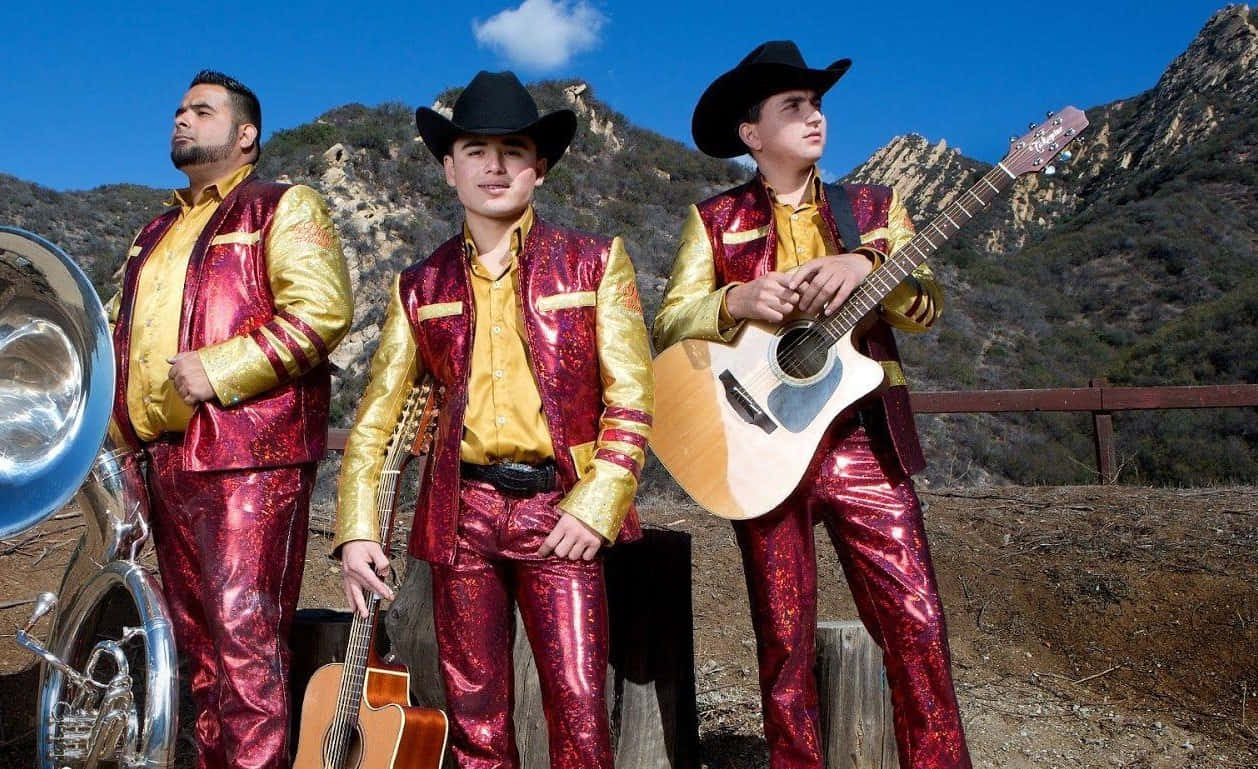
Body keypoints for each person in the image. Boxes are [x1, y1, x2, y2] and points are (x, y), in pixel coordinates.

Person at [653, 42, 972, 769]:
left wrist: (868, 265)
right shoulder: (712, 221)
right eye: (793, 106)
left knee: (916, 622)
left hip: (863, 441)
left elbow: (925, 308)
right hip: (759, 445)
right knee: (783, 637)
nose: (815, 117)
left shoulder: (874, 210)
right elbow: (669, 322)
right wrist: (736, 298)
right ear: (751, 134)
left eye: (818, 103)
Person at [333, 70, 653, 769]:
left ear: (539, 167)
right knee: (474, 714)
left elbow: (631, 397)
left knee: (577, 705)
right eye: (477, 149)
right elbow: (376, 420)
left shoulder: (597, 263)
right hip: (463, 514)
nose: (496, 164)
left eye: (513, 148)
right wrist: (357, 527)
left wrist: (598, 502)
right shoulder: (418, 286)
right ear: (450, 169)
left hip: (560, 509)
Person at [106, 70, 352, 769]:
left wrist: (220, 367)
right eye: (179, 107)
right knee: (196, 653)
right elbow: (123, 340)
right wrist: (119, 442)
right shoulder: (152, 232)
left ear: (246, 135)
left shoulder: (281, 205)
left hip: (249, 457)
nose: (182, 118)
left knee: (246, 646)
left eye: (202, 110)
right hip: (163, 461)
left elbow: (323, 313)